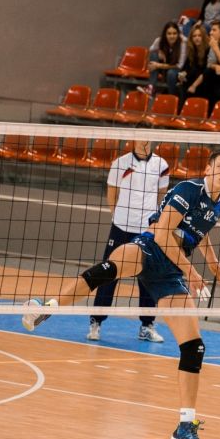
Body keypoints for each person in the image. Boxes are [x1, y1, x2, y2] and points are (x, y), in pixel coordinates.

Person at [23, 150, 220, 439]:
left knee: (194, 348)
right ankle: (49, 307)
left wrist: (212, 262)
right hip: (151, 248)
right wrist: (192, 271)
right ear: (208, 169)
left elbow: (201, 231)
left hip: (170, 273)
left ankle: (185, 426)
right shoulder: (189, 189)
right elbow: (163, 235)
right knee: (108, 269)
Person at [87, 140, 169, 343]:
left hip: (147, 230)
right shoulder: (120, 163)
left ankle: (147, 326)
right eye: (141, 137)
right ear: (134, 139)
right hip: (121, 227)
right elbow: (112, 192)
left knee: (148, 277)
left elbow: (161, 195)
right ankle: (96, 322)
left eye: (148, 137)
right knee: (108, 274)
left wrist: (153, 221)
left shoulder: (162, 165)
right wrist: (117, 215)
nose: (145, 141)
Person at [138, 21, 187, 97]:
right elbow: (150, 50)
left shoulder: (183, 42)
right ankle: (151, 88)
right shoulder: (159, 40)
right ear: (165, 34)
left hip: (178, 71)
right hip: (165, 67)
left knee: (171, 73)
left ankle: (172, 97)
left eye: (174, 33)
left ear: (178, 34)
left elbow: (179, 65)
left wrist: (158, 65)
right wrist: (159, 51)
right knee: (154, 55)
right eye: (169, 34)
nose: (172, 36)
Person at [179, 24, 210, 105]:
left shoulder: (208, 50)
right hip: (193, 80)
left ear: (203, 37)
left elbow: (206, 72)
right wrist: (182, 75)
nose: (197, 38)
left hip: (204, 81)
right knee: (182, 81)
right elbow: (185, 68)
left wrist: (194, 86)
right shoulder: (192, 50)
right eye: (194, 36)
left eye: (199, 35)